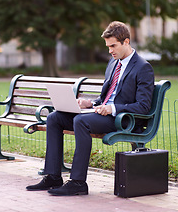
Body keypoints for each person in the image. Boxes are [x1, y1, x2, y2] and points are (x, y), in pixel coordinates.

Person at [26, 21, 155, 196]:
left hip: (123, 120)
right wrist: (90, 103)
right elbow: (105, 97)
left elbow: (143, 106)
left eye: (113, 46)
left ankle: (78, 182)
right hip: (103, 114)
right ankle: (53, 176)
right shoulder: (113, 63)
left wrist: (112, 108)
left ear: (126, 41)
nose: (110, 50)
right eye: (108, 46)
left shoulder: (143, 67)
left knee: (81, 121)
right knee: (54, 118)